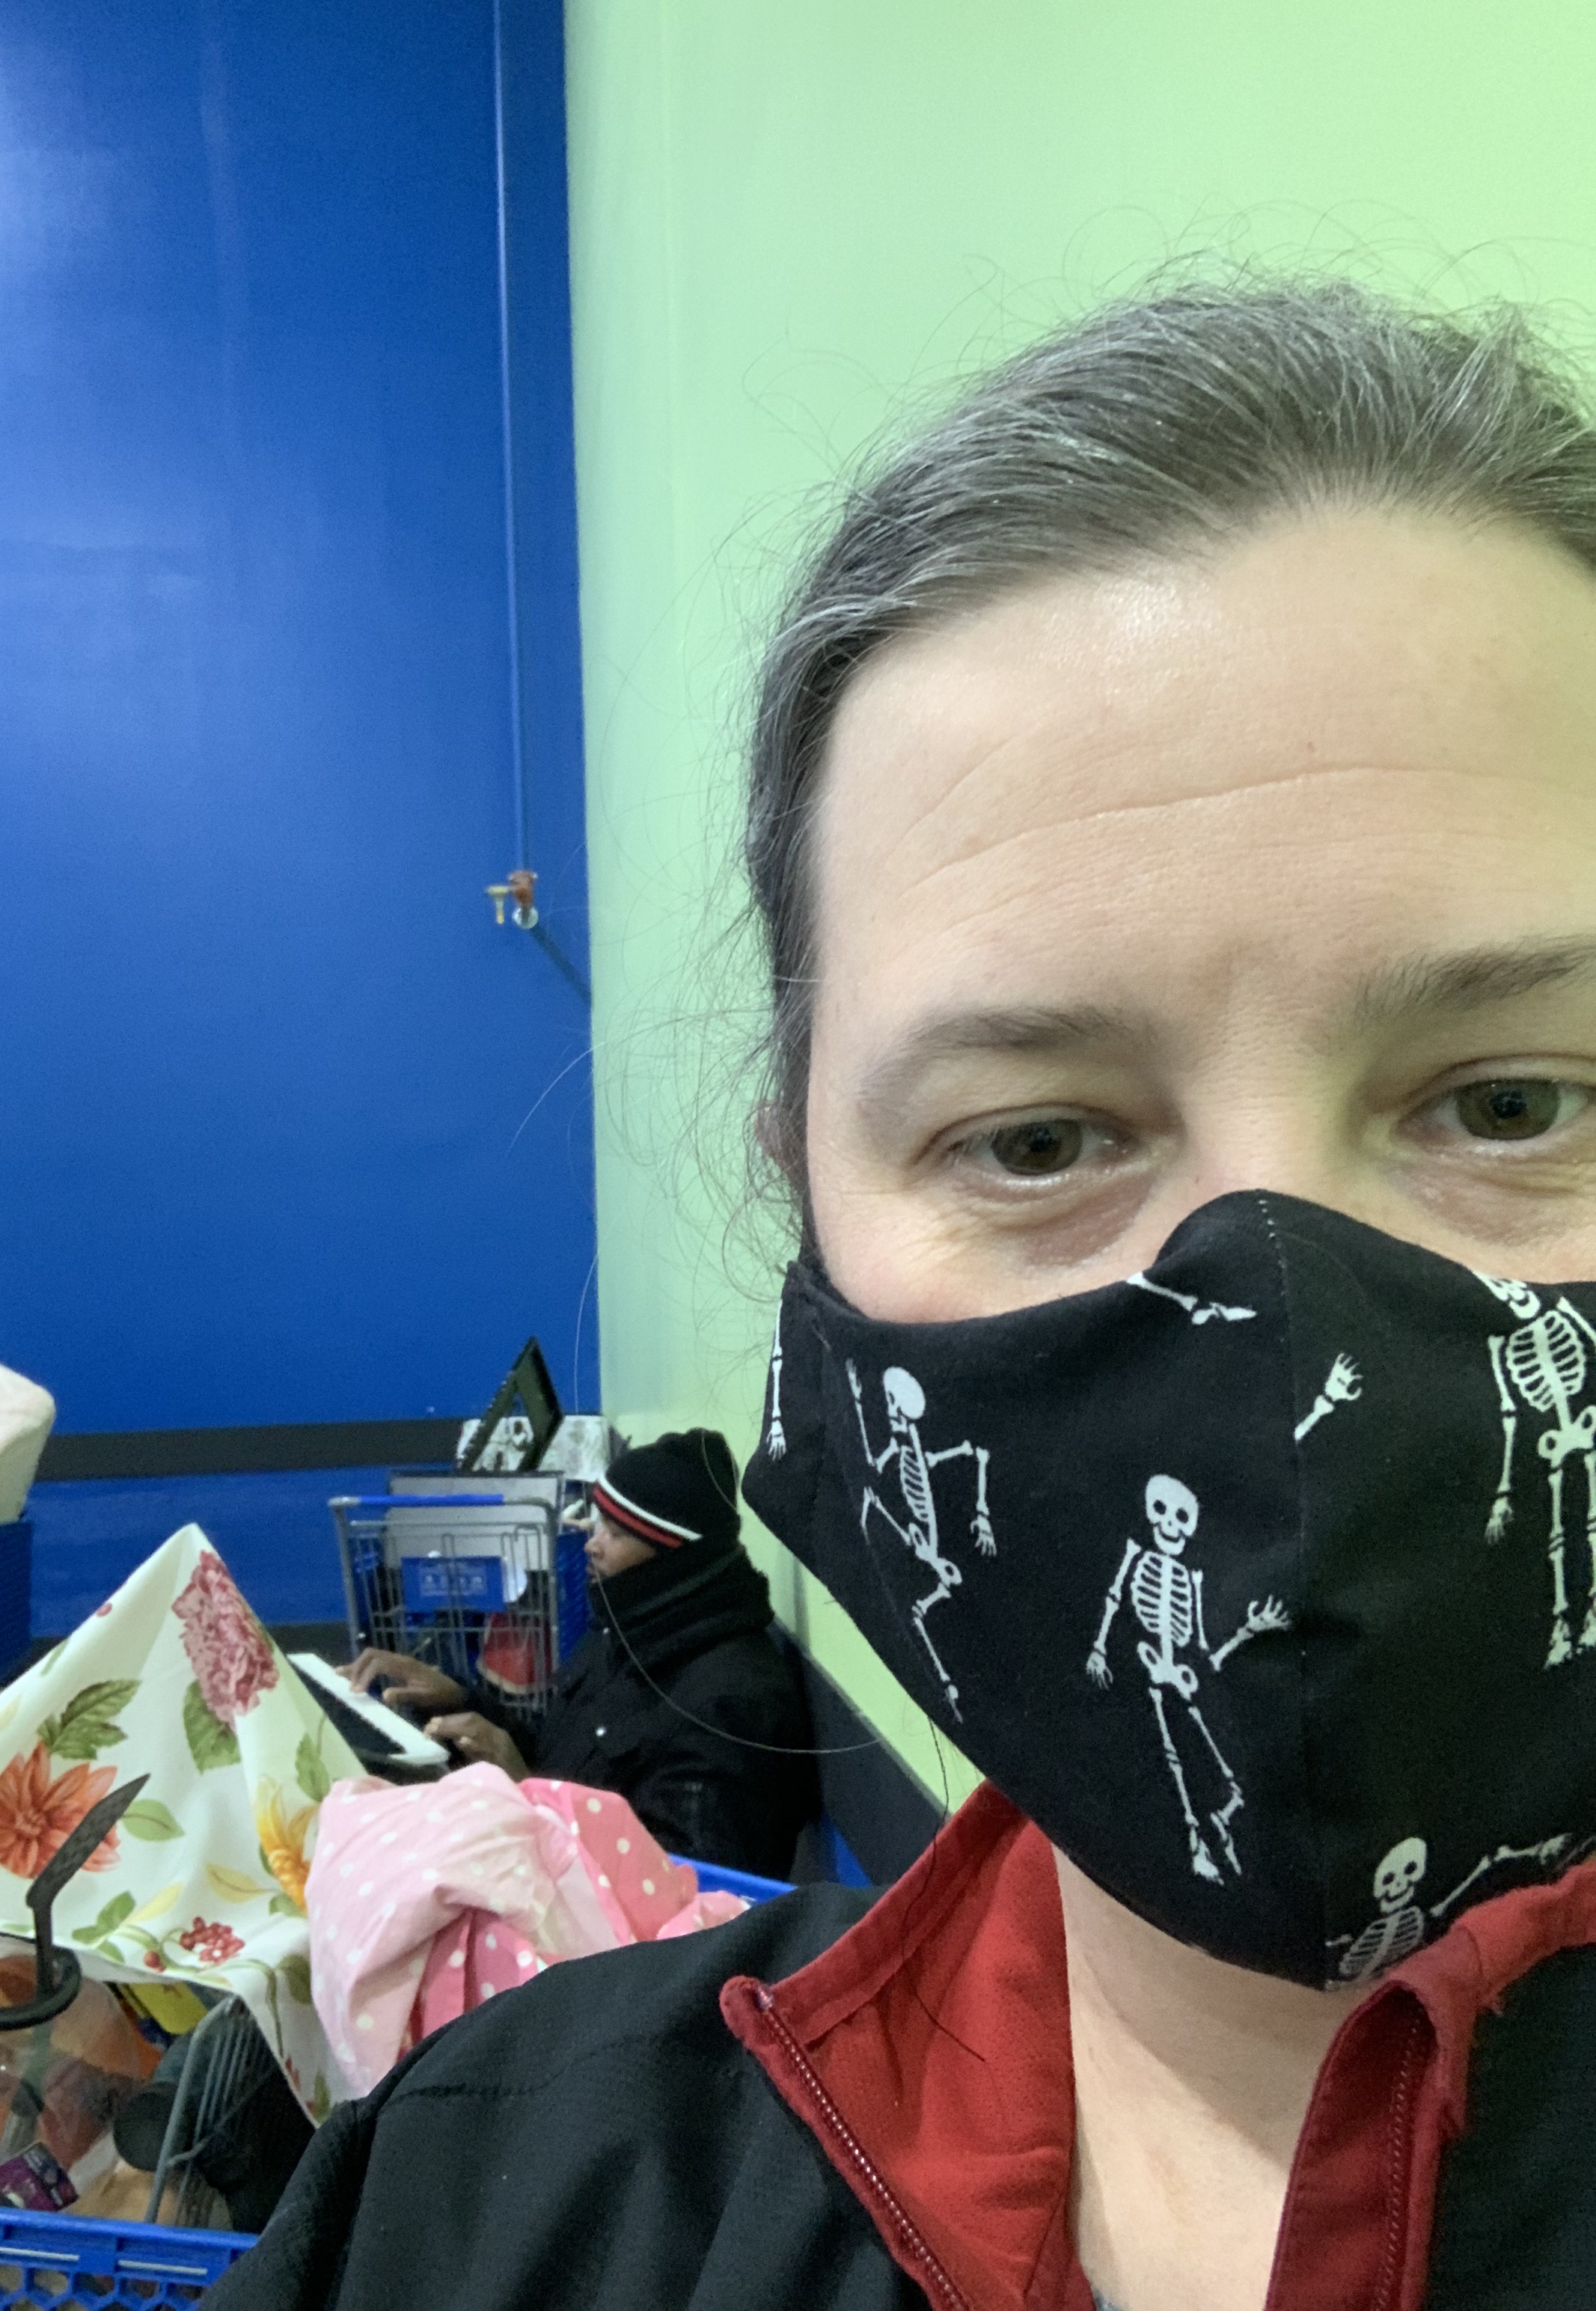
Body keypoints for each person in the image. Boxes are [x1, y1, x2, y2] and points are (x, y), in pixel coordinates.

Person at [207, 277, 1596, 2311]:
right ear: (809, 1215)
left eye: (1512, 1101)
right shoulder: (488, 2209)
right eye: (1033, 1140)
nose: (1285, 1325)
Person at [346, 1428, 817, 1879]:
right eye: (597, 1523)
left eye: (615, 1532)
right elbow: (558, 1757)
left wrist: (527, 1794)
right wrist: (459, 1701)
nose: (591, 1544)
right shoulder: (630, 1626)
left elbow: (681, 1889)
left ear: (673, 1553)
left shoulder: (731, 1703)